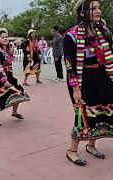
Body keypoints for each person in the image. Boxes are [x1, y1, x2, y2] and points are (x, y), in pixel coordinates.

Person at [64, 0, 113, 166]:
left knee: (103, 109)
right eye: (93, 8)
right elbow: (69, 65)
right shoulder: (71, 35)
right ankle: (72, 150)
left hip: (102, 75)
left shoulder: (104, 31)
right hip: (81, 79)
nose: (98, 10)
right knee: (83, 114)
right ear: (83, 13)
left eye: (99, 7)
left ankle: (92, 145)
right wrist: (76, 89)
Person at [0, 28, 30, 126]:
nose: (5, 38)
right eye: (3, 37)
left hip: (9, 76)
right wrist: (4, 81)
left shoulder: (6, 50)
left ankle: (14, 112)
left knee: (18, 92)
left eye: (6, 37)